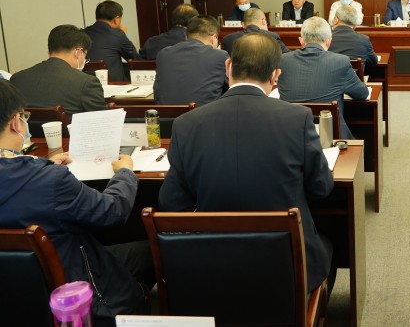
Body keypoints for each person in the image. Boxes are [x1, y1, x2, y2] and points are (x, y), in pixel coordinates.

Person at [158, 33, 334, 293]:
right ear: (275, 75)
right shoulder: (298, 118)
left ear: (228, 67)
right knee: (328, 248)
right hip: (285, 265)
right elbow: (322, 187)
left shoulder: (186, 124)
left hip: (211, 265)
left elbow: (171, 201)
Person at [0, 81, 152, 325]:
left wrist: (43, 166)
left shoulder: (42, 176)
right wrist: (125, 173)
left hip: (14, 304)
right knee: (149, 249)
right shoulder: (50, 180)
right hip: (78, 294)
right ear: (15, 123)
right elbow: (112, 211)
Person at [277, 17, 369, 139]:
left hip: (289, 136)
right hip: (330, 137)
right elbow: (362, 93)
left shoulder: (282, 60)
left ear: (301, 40)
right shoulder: (340, 62)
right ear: (329, 41)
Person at [10, 24, 106, 114]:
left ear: (49, 52)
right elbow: (101, 120)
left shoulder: (17, 79)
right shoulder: (87, 83)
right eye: (85, 55)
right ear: (78, 53)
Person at [154, 15, 229, 106]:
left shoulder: (163, 54)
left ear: (186, 36)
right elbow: (231, 86)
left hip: (165, 114)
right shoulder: (220, 56)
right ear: (213, 38)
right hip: (204, 114)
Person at [83, 0, 140, 82]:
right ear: (116, 20)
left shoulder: (82, 33)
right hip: (114, 85)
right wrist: (126, 35)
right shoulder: (118, 34)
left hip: (86, 83)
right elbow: (135, 60)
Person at [221, 7, 289, 54]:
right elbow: (287, 56)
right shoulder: (272, 37)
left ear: (243, 25)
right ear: (263, 21)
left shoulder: (228, 39)